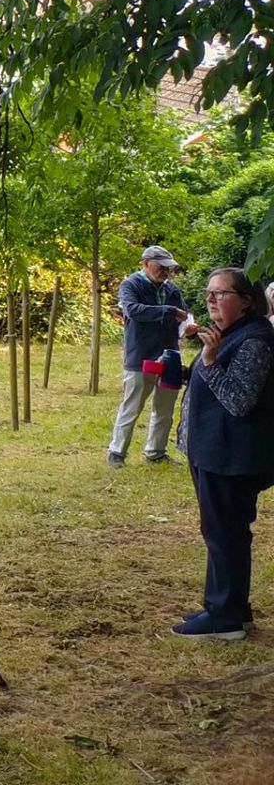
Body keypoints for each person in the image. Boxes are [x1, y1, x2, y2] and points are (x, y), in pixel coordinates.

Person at [172, 266, 274, 640]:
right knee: (221, 531)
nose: (212, 299)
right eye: (209, 292)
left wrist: (210, 363)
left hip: (230, 457)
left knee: (225, 533)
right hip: (213, 451)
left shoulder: (255, 340)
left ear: (246, 301)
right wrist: (190, 370)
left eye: (222, 293)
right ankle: (231, 608)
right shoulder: (229, 334)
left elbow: (240, 401)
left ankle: (225, 617)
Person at [108, 245, 191, 466]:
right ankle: (117, 452)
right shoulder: (130, 285)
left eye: (168, 268)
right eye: (161, 267)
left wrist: (188, 325)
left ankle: (156, 452)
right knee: (132, 406)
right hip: (140, 356)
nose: (165, 272)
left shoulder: (172, 289)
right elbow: (133, 310)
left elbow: (184, 313)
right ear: (145, 264)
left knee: (165, 408)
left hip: (170, 355)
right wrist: (169, 311)